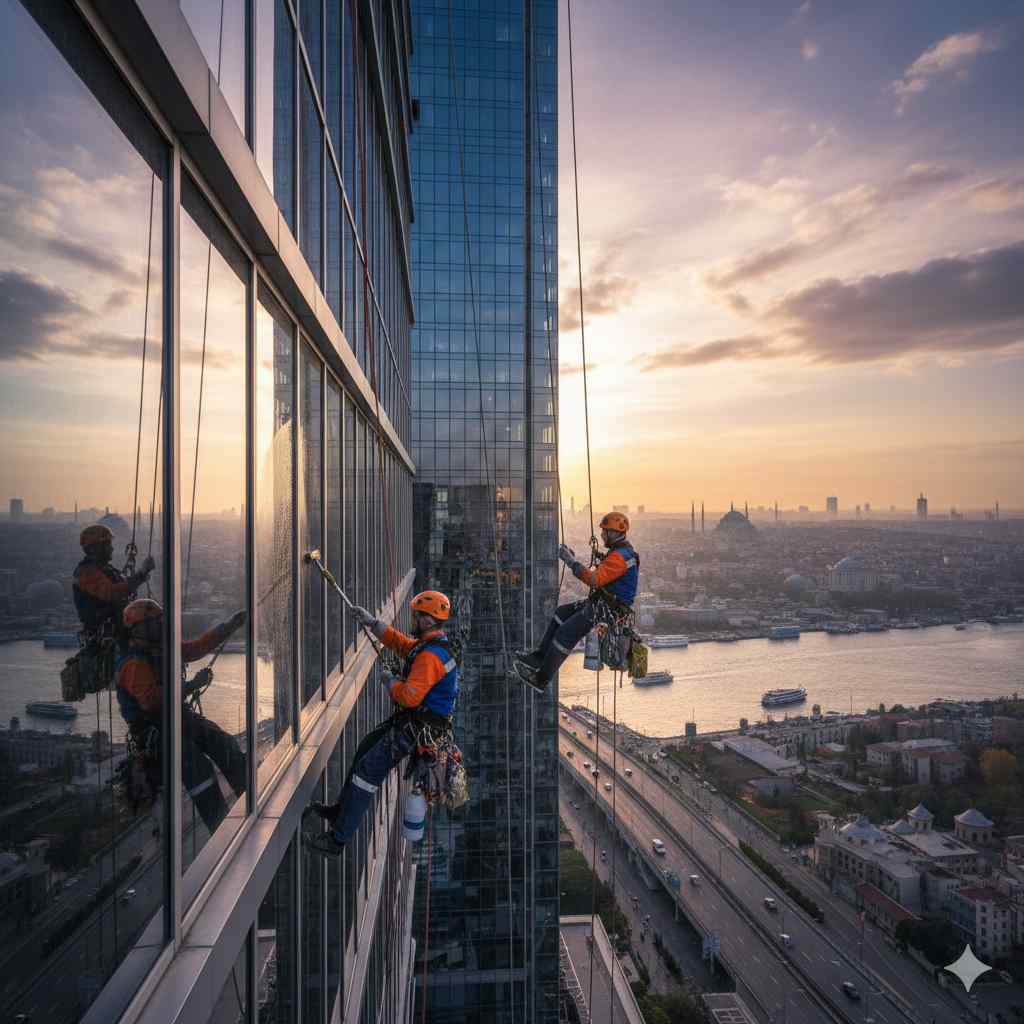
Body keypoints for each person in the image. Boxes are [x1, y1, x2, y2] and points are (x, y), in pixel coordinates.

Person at [306, 590, 459, 857]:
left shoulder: (431, 656)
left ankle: (337, 841)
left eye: (416, 616)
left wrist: (390, 681)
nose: (413, 620)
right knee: (365, 749)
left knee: (367, 774)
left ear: (426, 620)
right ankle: (340, 811)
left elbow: (409, 696)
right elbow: (402, 645)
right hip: (416, 723)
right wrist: (373, 623)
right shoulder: (432, 645)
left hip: (417, 728)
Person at [116, 598, 247, 833]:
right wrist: (190, 686)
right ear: (139, 630)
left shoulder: (161, 649)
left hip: (176, 717)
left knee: (223, 743)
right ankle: (221, 829)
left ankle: (249, 793)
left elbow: (195, 648)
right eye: (154, 624)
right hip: (155, 730)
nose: (160, 627)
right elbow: (151, 700)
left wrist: (227, 626)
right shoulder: (132, 663)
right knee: (199, 771)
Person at [513, 511, 639, 692]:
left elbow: (594, 580)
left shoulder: (620, 557)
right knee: (561, 613)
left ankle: (541, 679)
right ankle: (539, 657)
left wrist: (571, 562)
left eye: (605, 531)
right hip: (604, 604)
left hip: (608, 609)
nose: (602, 534)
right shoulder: (620, 553)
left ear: (615, 533)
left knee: (565, 633)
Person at [73, 524, 155, 647]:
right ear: (94, 548)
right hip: (105, 636)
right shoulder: (85, 573)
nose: (111, 549)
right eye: (107, 545)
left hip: (117, 630)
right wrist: (141, 574)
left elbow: (122, 587)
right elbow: (112, 593)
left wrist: (140, 576)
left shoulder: (107, 570)